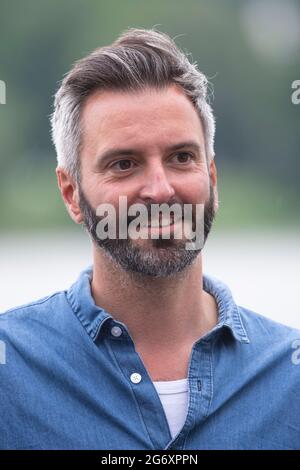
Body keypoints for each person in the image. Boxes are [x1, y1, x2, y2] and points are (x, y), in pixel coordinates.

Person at [0, 28, 299, 451]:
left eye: (181, 157)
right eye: (124, 164)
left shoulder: (290, 376)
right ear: (71, 194)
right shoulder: (10, 373)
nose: (160, 190)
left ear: (211, 177)